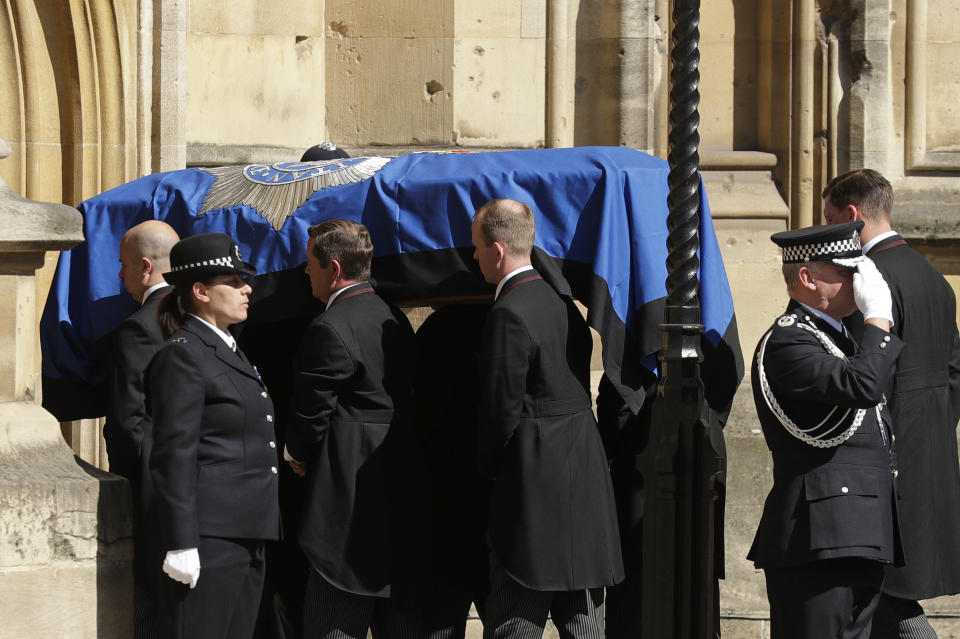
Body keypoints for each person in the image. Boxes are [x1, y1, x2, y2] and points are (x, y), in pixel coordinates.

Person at [470, 198, 623, 639]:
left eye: (477, 248)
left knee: (517, 614)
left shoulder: (508, 312)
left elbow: (501, 411)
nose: (474, 257)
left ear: (497, 251)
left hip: (533, 484)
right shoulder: (563, 304)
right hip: (582, 475)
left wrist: (486, 470)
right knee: (584, 615)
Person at [749, 221, 904, 639]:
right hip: (818, 534)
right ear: (807, 277)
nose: (859, 281)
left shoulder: (838, 340)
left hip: (858, 528)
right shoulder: (789, 342)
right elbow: (863, 386)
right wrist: (878, 319)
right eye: (847, 271)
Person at [823, 169, 960, 639]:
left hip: (887, 461)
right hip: (931, 453)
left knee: (884, 592)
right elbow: (954, 372)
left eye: (831, 218)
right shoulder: (933, 278)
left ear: (852, 214)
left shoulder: (869, 279)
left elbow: (865, 375)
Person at [284, 219, 422, 639]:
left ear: (335, 269)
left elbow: (312, 412)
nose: (306, 272)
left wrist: (296, 455)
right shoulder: (391, 315)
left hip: (346, 503)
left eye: (311, 264)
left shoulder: (329, 327)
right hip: (397, 493)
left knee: (334, 618)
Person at [148, 233, 281, 639]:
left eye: (245, 280)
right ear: (200, 291)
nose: (247, 289)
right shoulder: (184, 353)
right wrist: (181, 541)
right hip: (210, 535)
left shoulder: (226, 348)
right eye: (234, 281)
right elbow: (174, 453)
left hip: (246, 530)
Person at [104, 219, 179, 637]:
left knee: (150, 600)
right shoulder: (206, 319)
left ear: (145, 267)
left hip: (155, 491)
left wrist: (131, 481)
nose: (120, 275)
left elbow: (128, 421)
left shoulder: (139, 327)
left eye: (124, 265)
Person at [413, 303, 492, 639]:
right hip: (492, 488)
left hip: (445, 487)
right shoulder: (505, 317)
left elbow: (423, 409)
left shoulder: (438, 327)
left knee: (443, 614)